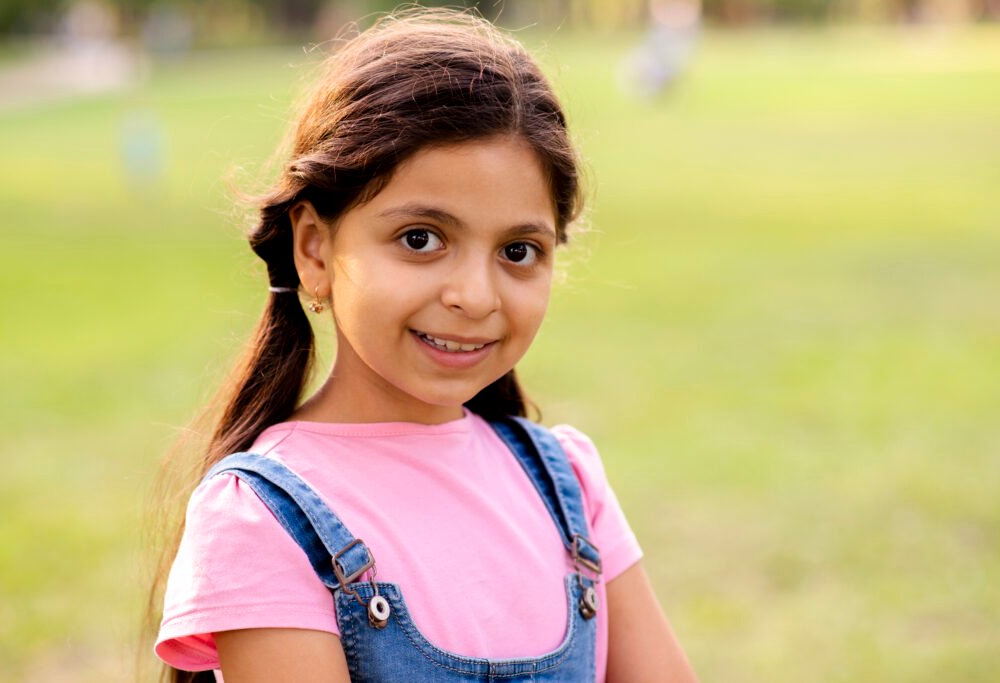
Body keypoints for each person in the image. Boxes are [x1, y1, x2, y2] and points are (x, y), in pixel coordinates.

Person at [149, 8, 698, 683]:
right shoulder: (260, 519)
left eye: (518, 251)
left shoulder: (570, 487)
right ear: (314, 249)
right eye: (421, 239)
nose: (476, 296)